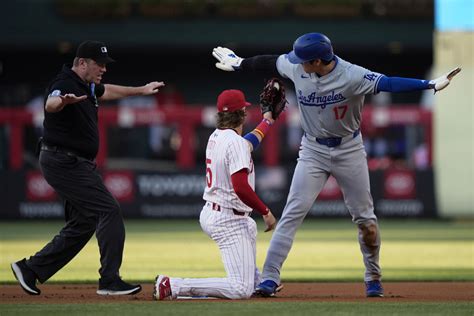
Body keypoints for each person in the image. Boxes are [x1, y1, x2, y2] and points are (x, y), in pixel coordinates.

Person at [212, 32, 461, 298]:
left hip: (349, 149)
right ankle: (270, 278)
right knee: (292, 213)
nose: (297, 63)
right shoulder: (298, 67)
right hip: (312, 149)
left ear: (318, 61)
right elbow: (271, 62)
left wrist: (429, 84)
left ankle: (373, 276)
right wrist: (239, 63)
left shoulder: (352, 75)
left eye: (304, 60)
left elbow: (388, 83)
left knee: (365, 220)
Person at [10, 40, 165, 296]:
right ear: (82, 63)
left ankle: (30, 269)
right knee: (109, 210)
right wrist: (61, 102)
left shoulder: (87, 85)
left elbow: (108, 91)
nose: (103, 69)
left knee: (84, 223)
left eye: (105, 64)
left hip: (72, 161)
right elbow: (51, 102)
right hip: (64, 160)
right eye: (99, 64)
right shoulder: (65, 83)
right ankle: (109, 280)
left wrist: (141, 90)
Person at [153, 88, 277, 300]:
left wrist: (268, 120)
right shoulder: (235, 142)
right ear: (243, 114)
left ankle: (256, 281)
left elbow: (248, 143)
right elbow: (240, 186)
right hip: (227, 218)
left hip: (216, 211)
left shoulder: (217, 136)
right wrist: (265, 211)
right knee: (239, 290)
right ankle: (173, 285)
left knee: (249, 227)